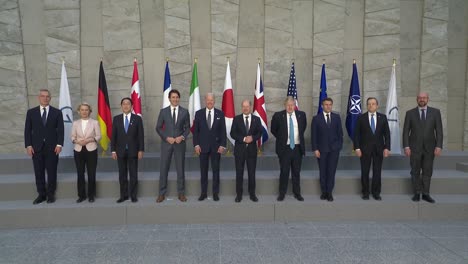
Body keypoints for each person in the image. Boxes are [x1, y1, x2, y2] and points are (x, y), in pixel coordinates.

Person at [24, 89, 64, 204]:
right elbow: (27, 130)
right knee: (38, 172)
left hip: (52, 148)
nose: (45, 98)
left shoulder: (57, 112)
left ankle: (50, 195)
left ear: (50, 98)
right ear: (39, 97)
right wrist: (28, 145)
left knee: (52, 171)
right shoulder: (31, 112)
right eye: (43, 96)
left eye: (47, 96)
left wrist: (59, 144)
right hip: (36, 147)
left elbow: (60, 130)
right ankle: (41, 194)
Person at [402, 92, 443, 203]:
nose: (422, 99)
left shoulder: (435, 112)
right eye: (420, 98)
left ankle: (426, 193)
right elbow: (406, 131)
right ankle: (416, 193)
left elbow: (439, 130)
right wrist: (406, 146)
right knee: (415, 171)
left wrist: (439, 146)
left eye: (424, 98)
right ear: (417, 99)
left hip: (430, 147)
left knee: (427, 171)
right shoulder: (410, 113)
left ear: (427, 99)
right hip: (414, 147)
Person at [156, 89, 190, 203]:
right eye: (173, 97)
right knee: (163, 169)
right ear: (169, 98)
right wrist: (166, 137)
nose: (175, 99)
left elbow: (187, 128)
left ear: (179, 98)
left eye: (177, 97)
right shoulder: (163, 112)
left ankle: (181, 193)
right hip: (167, 144)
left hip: (180, 144)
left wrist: (182, 137)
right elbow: (158, 127)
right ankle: (161, 194)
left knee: (180, 169)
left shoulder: (185, 112)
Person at [353, 97, 390, 200]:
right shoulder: (361, 118)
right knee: (364, 171)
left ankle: (376, 192)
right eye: (369, 104)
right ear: (366, 105)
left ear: (377, 106)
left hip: (379, 149)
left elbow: (387, 134)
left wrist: (387, 148)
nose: (371, 105)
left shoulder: (383, 117)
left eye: (373, 104)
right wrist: (357, 148)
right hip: (364, 150)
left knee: (377, 171)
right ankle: (365, 192)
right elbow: (356, 135)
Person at [271, 96, 307, 202]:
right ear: (285, 105)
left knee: (296, 172)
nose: (290, 107)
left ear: (295, 105)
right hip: (284, 149)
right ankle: (282, 193)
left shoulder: (301, 115)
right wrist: (282, 138)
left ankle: (297, 193)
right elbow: (274, 130)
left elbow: (302, 128)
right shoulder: (278, 116)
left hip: (297, 148)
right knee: (284, 171)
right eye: (288, 105)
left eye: (292, 105)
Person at [193, 93, 227, 201]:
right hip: (202, 148)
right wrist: (196, 145)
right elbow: (196, 132)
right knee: (203, 171)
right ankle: (203, 193)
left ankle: (215, 193)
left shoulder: (220, 114)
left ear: (214, 101)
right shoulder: (198, 114)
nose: (210, 102)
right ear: (205, 100)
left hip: (216, 148)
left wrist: (222, 145)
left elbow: (223, 132)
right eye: (208, 100)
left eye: (212, 100)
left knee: (216, 171)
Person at [111, 97, 144, 203]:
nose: (126, 106)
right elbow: (113, 136)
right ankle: (123, 195)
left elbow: (141, 136)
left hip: (133, 151)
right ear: (121, 106)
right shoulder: (116, 119)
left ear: (132, 106)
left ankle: (133, 195)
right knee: (122, 175)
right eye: (124, 104)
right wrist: (113, 150)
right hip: (120, 151)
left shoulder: (137, 119)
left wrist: (141, 150)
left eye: (128, 104)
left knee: (133, 174)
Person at [311, 97, 343, 202]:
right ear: (322, 106)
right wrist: (315, 149)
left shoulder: (336, 117)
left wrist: (338, 147)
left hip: (334, 150)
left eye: (330, 104)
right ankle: (324, 192)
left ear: (332, 106)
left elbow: (340, 134)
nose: (328, 106)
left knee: (331, 171)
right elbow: (314, 136)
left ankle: (329, 192)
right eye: (326, 104)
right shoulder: (316, 119)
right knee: (323, 171)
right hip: (321, 150)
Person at [230, 99, 262, 203]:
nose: (245, 108)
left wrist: (252, 138)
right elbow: (232, 133)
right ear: (241, 107)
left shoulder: (256, 119)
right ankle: (239, 195)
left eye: (247, 106)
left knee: (252, 173)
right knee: (239, 173)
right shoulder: (236, 119)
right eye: (243, 106)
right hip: (240, 151)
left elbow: (260, 133)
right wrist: (243, 139)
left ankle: (252, 194)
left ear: (250, 107)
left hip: (252, 151)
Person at [71, 103, 101, 203]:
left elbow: (98, 136)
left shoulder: (95, 122)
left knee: (91, 173)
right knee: (80, 173)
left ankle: (91, 195)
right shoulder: (75, 123)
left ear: (90, 111)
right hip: (78, 150)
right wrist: (77, 141)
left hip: (91, 150)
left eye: (86, 110)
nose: (84, 112)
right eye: (82, 110)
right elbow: (72, 137)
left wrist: (89, 140)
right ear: (79, 111)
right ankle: (81, 195)